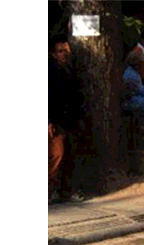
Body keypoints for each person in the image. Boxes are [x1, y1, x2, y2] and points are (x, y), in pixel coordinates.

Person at [48, 34, 86, 203]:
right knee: (56, 156)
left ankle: (67, 191)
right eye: (61, 51)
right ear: (54, 54)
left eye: (67, 51)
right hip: (56, 121)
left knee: (71, 157)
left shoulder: (70, 70)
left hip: (70, 120)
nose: (65, 54)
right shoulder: (50, 72)